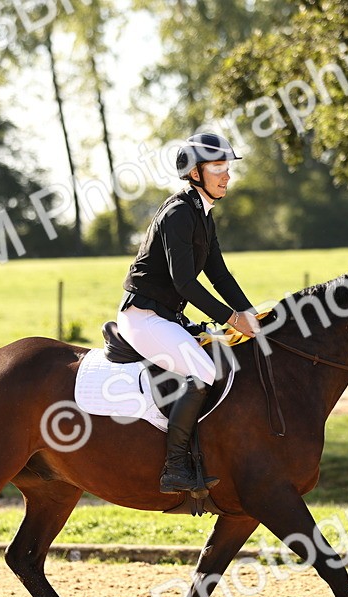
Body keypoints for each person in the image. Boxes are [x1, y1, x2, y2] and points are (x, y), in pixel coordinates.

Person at [117, 132, 261, 494]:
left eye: (227, 167)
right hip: (143, 317)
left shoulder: (203, 215)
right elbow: (184, 283)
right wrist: (231, 318)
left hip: (167, 318)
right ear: (195, 173)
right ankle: (175, 466)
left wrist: (251, 313)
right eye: (217, 168)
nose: (226, 175)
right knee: (202, 369)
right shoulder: (180, 213)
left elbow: (219, 274)